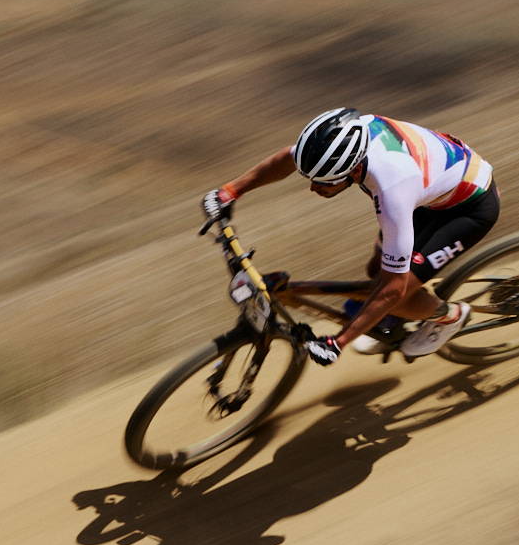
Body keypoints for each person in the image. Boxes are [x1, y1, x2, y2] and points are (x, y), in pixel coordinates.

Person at [200, 108, 499, 366]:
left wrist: (338, 343)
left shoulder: (393, 190)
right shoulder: (342, 139)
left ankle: (449, 317)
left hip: (468, 208)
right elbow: (286, 159)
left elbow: (393, 288)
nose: (313, 189)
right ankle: (392, 322)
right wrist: (229, 192)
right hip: (431, 188)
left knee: (397, 293)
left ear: (354, 170)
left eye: (324, 183)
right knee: (376, 271)